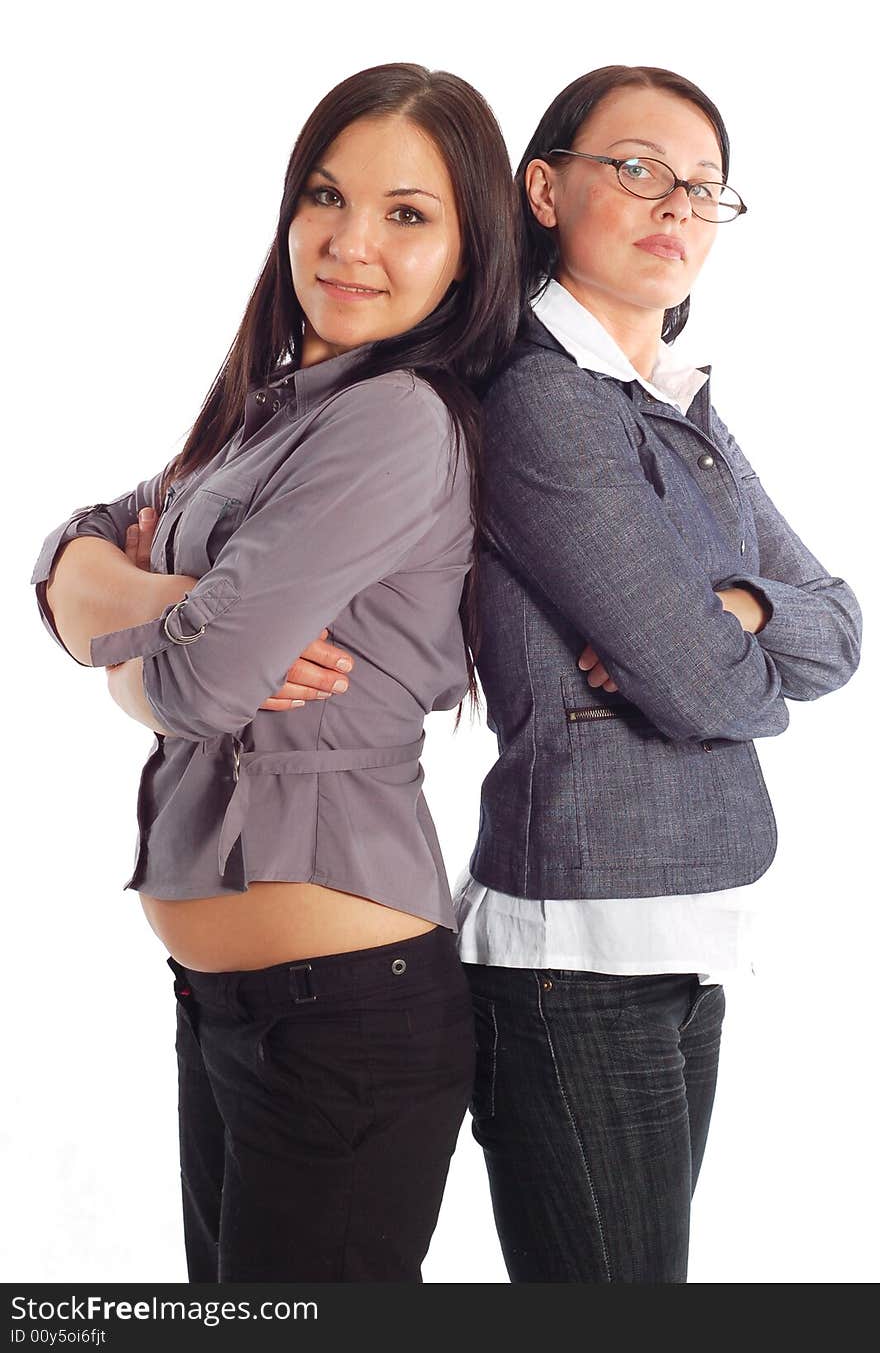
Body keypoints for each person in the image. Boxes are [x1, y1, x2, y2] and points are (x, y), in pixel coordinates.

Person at [30, 62, 519, 1283]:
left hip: (344, 1015)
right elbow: (63, 553)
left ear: (469, 247)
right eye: (324, 197)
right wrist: (160, 605)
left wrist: (123, 660)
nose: (350, 242)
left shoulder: (397, 419)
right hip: (234, 1011)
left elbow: (191, 691)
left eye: (408, 214)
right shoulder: (268, 411)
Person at [450, 66, 862, 1282]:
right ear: (544, 188)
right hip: (577, 951)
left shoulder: (670, 399)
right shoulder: (542, 401)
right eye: (636, 169)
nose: (675, 204)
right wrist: (721, 649)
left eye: (702, 186)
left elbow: (838, 631)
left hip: (683, 934)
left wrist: (736, 607)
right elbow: (710, 689)